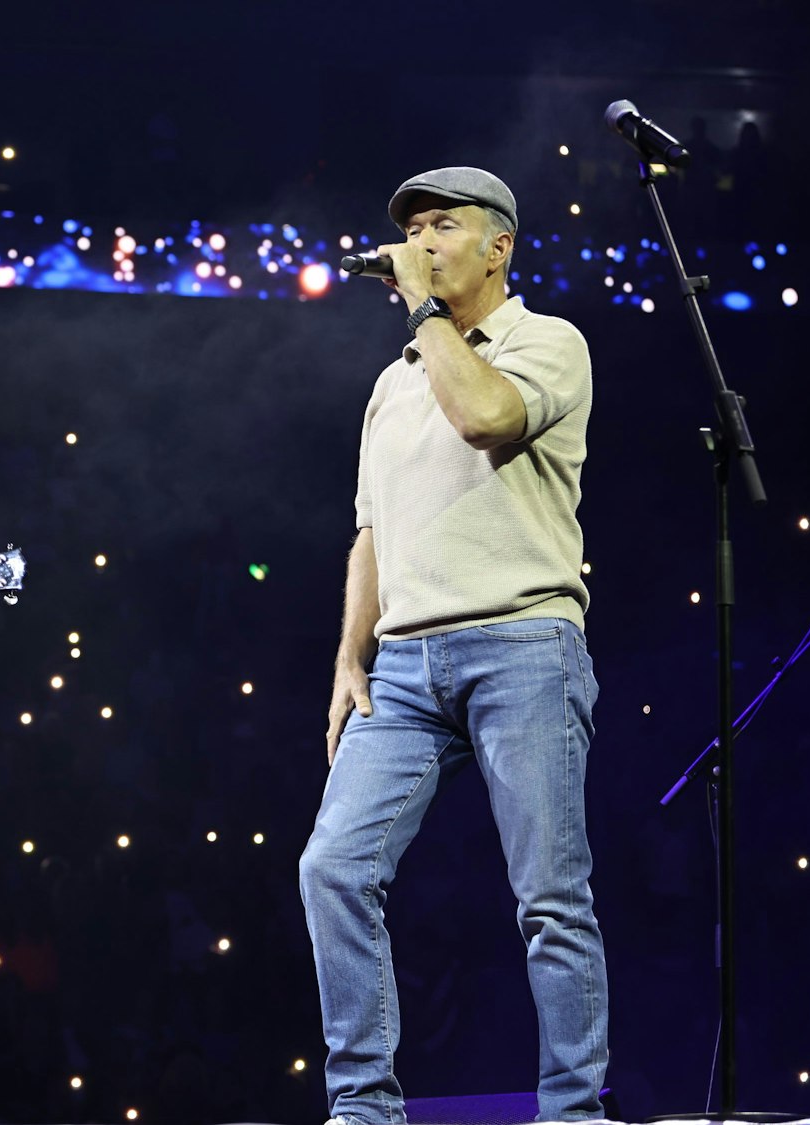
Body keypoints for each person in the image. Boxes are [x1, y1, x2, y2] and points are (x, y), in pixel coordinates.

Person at [297, 167, 608, 1124]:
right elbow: (371, 532)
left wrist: (426, 312)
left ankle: (573, 1111)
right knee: (332, 867)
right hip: (403, 665)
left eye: (442, 224)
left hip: (524, 642)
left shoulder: (547, 342)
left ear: (499, 245)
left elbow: (486, 419)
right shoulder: (393, 383)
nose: (420, 242)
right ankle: (364, 1105)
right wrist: (349, 657)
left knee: (550, 897)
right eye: (413, 229)